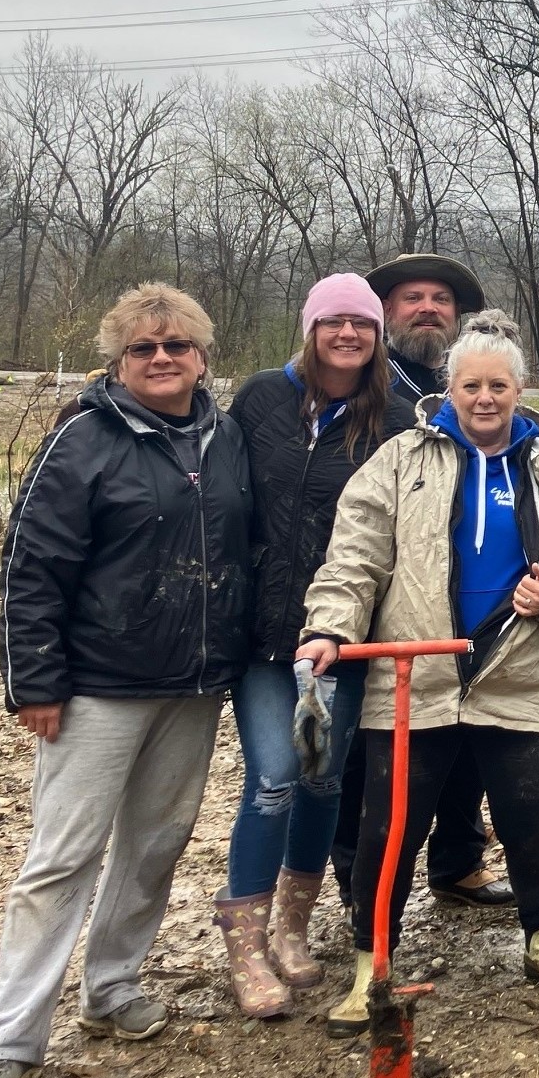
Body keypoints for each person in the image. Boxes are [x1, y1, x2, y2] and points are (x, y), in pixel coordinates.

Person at [0, 285, 253, 1078]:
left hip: (194, 684)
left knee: (156, 843)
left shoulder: (225, 438)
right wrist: (36, 681)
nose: (161, 359)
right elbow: (32, 566)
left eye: (176, 346)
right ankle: (12, 1041)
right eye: (142, 349)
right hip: (96, 685)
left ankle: (113, 982)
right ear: (118, 361)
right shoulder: (82, 440)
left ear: (202, 355)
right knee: (61, 861)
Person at [297, 311, 539, 1034]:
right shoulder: (399, 462)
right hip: (415, 674)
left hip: (522, 671)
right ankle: (369, 962)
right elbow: (355, 558)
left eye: (498, 385)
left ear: (520, 388)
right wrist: (328, 628)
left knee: (533, 818)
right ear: (448, 388)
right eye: (470, 384)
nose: (484, 398)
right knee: (389, 829)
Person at [214, 274, 415, 1018]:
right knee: (273, 777)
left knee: (325, 778)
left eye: (361, 324)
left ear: (376, 336)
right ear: (311, 328)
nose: (348, 335)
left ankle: (295, 929)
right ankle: (246, 941)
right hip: (265, 633)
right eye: (333, 322)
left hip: (347, 634)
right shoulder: (263, 398)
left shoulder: (392, 417)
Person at [325, 251, 514, 913]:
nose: (428, 308)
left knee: (465, 735)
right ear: (386, 313)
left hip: (464, 594)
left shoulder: (465, 385)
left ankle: (457, 861)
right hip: (380, 597)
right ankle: (359, 878)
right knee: (369, 758)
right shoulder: (369, 389)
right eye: (412, 298)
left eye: (440, 299)